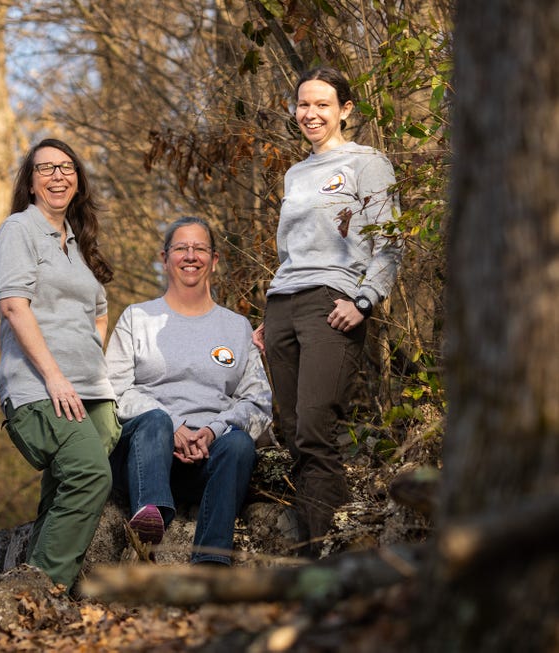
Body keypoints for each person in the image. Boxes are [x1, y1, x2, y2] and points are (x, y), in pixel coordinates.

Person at [252, 66, 402, 552]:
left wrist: (365, 300)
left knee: (316, 429)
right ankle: (311, 557)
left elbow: (391, 244)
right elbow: (290, 253)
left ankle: (331, 562)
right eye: (303, 105)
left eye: (321, 104)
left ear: (345, 110)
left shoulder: (367, 162)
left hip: (332, 304)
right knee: (294, 435)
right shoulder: (295, 174)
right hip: (282, 307)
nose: (310, 113)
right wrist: (268, 316)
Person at [105, 217, 273, 565]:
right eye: (181, 248)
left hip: (208, 460)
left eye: (200, 248)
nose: (190, 255)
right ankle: (152, 519)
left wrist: (212, 431)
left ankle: (210, 561)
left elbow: (258, 402)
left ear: (214, 260)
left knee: (240, 443)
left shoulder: (236, 327)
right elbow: (115, 389)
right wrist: (173, 425)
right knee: (153, 421)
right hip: (145, 458)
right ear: (164, 259)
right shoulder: (137, 318)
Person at [0, 138, 120, 588]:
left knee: (65, 487)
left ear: (78, 180)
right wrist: (56, 376)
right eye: (45, 169)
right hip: (40, 388)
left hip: (91, 389)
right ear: (30, 184)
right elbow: (13, 305)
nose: (58, 175)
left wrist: (89, 358)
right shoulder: (18, 230)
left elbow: (100, 307)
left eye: (66, 167)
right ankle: (40, 592)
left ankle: (22, 586)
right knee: (89, 474)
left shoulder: (79, 242)